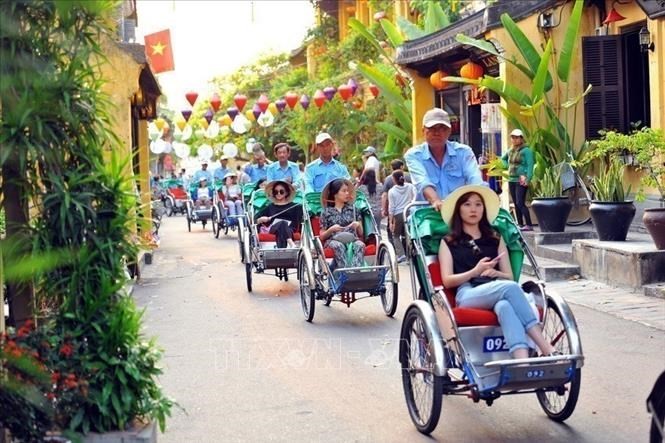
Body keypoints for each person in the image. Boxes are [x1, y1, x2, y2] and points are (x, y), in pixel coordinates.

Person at [438, 185, 558, 359]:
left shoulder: (495, 238)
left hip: (497, 289)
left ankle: (521, 361)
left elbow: (508, 276)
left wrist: (496, 274)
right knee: (509, 288)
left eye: (479, 204)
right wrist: (475, 271)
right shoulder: (449, 242)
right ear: (458, 210)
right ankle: (545, 346)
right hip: (467, 293)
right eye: (467, 204)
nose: (473, 209)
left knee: (505, 306)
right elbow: (447, 280)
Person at [405, 108, 483, 211]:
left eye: (442, 128)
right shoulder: (414, 155)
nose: (437, 133)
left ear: (449, 131)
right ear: (423, 131)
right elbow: (422, 182)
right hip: (427, 214)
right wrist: (435, 201)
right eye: (432, 128)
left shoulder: (463, 152)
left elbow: (475, 179)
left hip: (459, 213)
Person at [319, 179, 365, 269]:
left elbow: (361, 233)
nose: (347, 193)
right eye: (344, 191)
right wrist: (331, 229)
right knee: (338, 246)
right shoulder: (326, 212)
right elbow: (322, 236)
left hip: (352, 239)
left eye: (348, 191)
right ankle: (344, 273)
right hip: (333, 240)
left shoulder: (354, 210)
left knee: (360, 245)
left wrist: (358, 225)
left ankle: (355, 272)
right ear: (335, 194)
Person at [502, 129, 535, 231]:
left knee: (520, 202)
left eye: (517, 137)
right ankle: (520, 224)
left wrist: (528, 178)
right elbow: (503, 158)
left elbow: (530, 165)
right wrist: (508, 166)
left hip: (521, 179)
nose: (514, 139)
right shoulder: (511, 150)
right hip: (512, 179)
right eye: (512, 137)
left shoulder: (526, 151)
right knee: (516, 203)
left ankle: (529, 224)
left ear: (521, 138)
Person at [254, 180, 302, 248]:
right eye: (276, 192)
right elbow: (254, 220)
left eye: (281, 191)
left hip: (290, 229)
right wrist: (260, 219)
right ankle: (290, 242)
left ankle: (284, 247)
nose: (278, 194)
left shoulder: (296, 207)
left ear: (286, 192)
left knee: (283, 224)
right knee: (282, 222)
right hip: (273, 229)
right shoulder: (270, 207)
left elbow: (306, 217)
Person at [388, 170, 416, 263]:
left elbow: (391, 207)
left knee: (396, 235)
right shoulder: (410, 186)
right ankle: (410, 255)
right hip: (409, 211)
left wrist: (391, 221)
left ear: (394, 179)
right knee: (408, 234)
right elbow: (414, 197)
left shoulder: (392, 191)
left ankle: (401, 255)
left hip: (398, 214)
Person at [381, 159, 411, 242]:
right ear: (402, 166)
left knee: (394, 233)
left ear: (391, 168)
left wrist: (383, 209)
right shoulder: (409, 176)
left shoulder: (388, 179)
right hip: (409, 209)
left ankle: (397, 251)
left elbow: (384, 195)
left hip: (396, 212)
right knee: (408, 232)